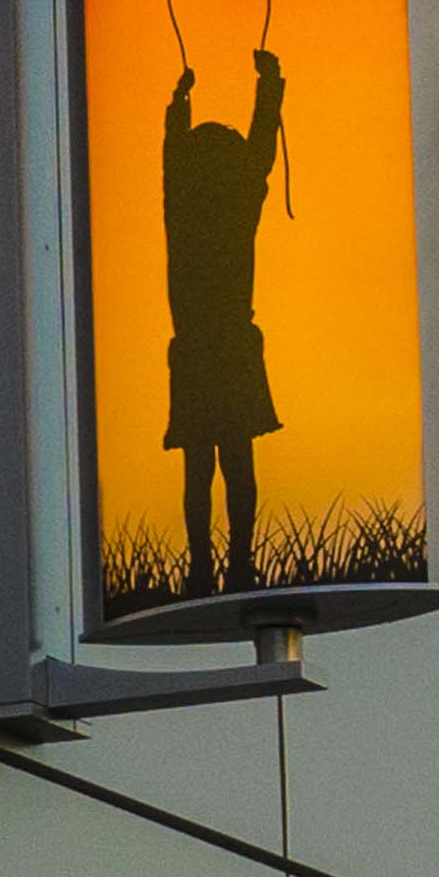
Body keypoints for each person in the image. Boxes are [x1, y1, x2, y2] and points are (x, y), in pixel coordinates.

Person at [163, 42, 287, 603]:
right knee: (236, 459)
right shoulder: (239, 202)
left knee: (201, 465)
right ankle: (237, 563)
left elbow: (174, 158)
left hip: (198, 350)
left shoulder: (183, 203)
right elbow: (261, 148)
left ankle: (202, 570)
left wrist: (179, 107)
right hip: (231, 346)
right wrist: (269, 83)